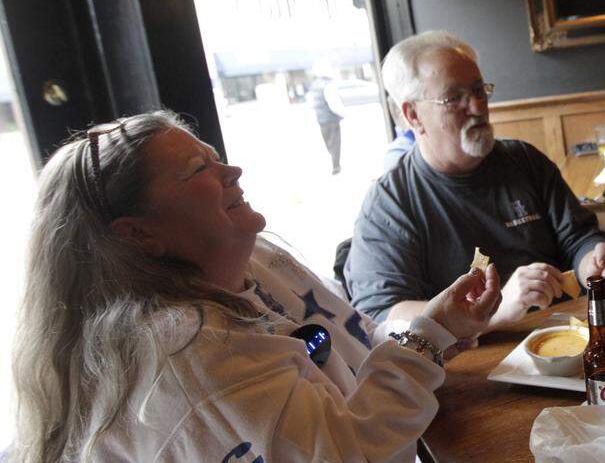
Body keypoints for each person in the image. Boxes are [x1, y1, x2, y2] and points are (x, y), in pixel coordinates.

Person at [10, 111, 501, 463]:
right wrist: (426, 338)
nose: (232, 171)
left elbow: (358, 347)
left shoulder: (258, 257)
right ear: (139, 233)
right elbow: (348, 452)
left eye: (213, 157)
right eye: (199, 170)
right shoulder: (185, 348)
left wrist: (435, 333)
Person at [344, 31, 605, 328]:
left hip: (563, 335)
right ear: (413, 115)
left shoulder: (524, 160)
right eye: (454, 98)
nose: (476, 107)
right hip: (469, 361)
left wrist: (597, 266)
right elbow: (383, 313)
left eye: (479, 91)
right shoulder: (389, 203)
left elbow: (578, 238)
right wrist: (492, 310)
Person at [309, 62, 346, 175]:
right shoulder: (328, 85)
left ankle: (334, 163)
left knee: (329, 142)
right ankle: (336, 166)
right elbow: (333, 102)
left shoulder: (314, 85)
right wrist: (341, 114)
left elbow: (312, 103)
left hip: (321, 119)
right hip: (331, 118)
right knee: (335, 143)